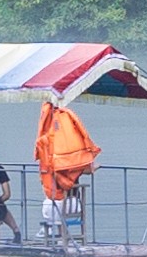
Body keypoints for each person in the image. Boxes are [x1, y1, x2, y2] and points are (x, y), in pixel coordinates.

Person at [34, 98, 99, 240]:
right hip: (75, 205)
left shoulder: (53, 156)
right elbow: (86, 169)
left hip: (57, 207)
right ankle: (59, 232)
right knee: (55, 201)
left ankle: (53, 230)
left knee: (51, 202)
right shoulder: (73, 161)